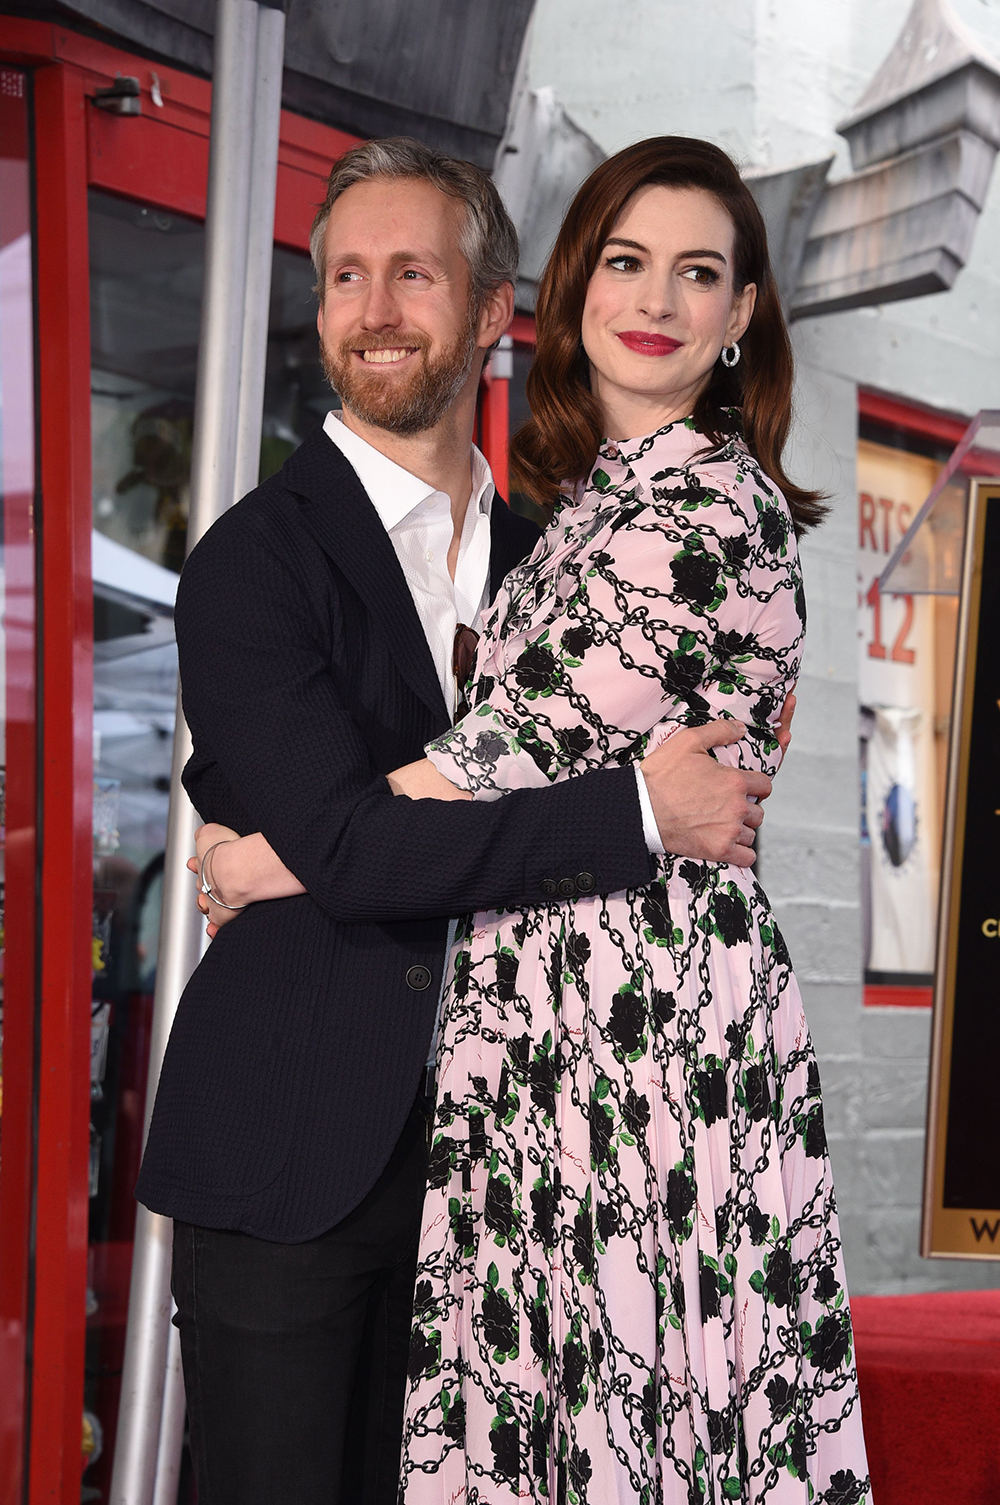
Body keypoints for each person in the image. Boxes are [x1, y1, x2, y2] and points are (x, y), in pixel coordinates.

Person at [136, 137, 786, 1505]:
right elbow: (367, 854)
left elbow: (702, 780)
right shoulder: (253, 560)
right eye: (346, 277)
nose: (375, 309)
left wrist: (282, 859)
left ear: (495, 311)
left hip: (512, 1173)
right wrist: (629, 813)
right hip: (292, 1158)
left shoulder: (565, 549)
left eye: (414, 273)